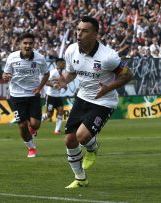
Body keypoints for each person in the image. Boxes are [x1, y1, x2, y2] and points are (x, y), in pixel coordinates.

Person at [56, 16, 133, 189]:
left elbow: (128, 75)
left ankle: (92, 146)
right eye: (78, 29)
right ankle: (80, 178)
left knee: (82, 136)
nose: (79, 34)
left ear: (95, 34)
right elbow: (71, 72)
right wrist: (64, 82)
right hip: (82, 97)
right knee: (69, 140)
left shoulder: (108, 57)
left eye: (84, 31)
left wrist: (108, 88)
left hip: (104, 101)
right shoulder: (71, 51)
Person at [2, 32, 50, 158]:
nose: (27, 45)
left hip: (33, 94)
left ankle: (32, 128)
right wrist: (5, 77)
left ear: (34, 45)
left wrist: (39, 87)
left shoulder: (40, 58)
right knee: (22, 125)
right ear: (20, 44)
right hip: (16, 96)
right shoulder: (12, 57)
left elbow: (46, 74)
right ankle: (31, 148)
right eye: (25, 43)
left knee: (35, 125)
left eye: (30, 43)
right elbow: (5, 74)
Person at [41, 58, 67, 134]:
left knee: (61, 110)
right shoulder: (52, 72)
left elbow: (63, 83)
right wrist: (53, 85)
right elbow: (46, 82)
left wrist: (64, 86)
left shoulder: (64, 73)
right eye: (63, 63)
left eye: (64, 63)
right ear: (58, 64)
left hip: (58, 96)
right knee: (49, 115)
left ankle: (57, 130)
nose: (64, 64)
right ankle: (38, 120)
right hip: (50, 96)